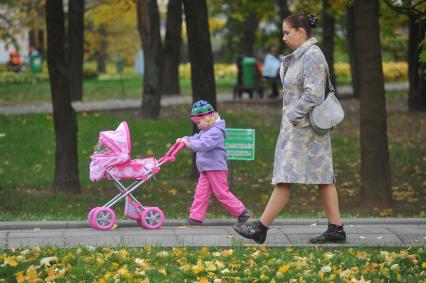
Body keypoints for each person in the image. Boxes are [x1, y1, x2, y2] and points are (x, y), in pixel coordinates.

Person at [233, 14, 346, 244]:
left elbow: (313, 93)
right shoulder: (299, 56)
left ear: (301, 32)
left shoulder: (312, 55)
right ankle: (336, 229)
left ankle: (261, 227)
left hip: (304, 128)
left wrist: (292, 115)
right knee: (323, 176)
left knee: (286, 176)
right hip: (301, 128)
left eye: (287, 32)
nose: (283, 37)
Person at [176, 100, 252, 226]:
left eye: (198, 122)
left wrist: (188, 144)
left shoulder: (215, 132)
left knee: (221, 193)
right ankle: (195, 218)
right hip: (206, 169)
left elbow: (203, 144)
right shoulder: (204, 131)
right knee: (201, 193)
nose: (197, 125)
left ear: (207, 118)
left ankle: (242, 212)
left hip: (216, 168)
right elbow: (195, 138)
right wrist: (185, 139)